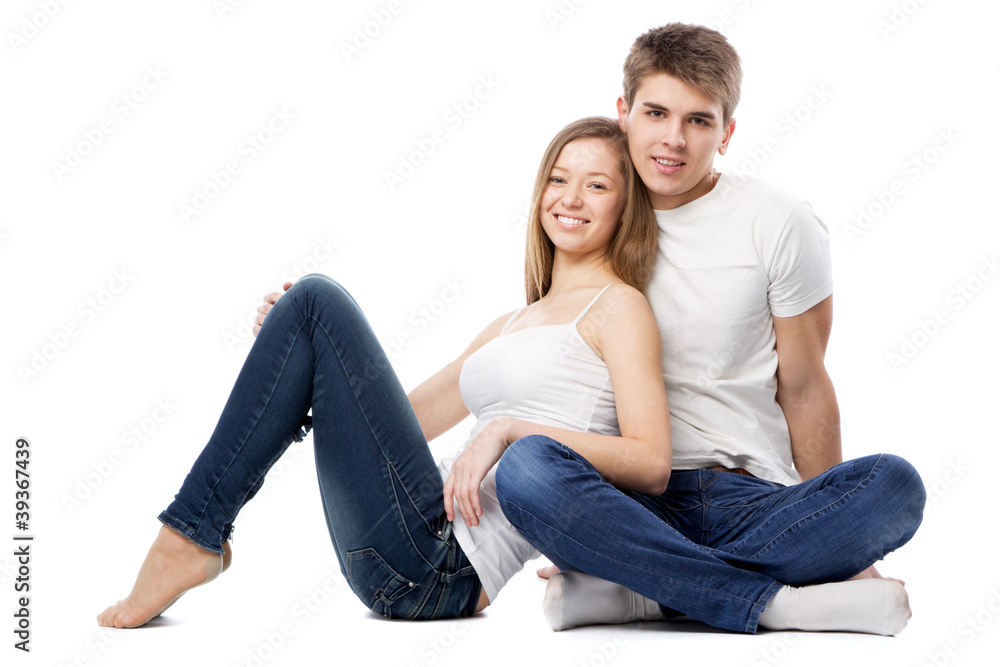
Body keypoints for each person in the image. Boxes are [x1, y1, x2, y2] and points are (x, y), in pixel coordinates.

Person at [96, 116, 671, 628]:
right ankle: (195, 536)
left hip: (442, 565)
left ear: (626, 206)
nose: (571, 197)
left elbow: (651, 463)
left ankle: (190, 534)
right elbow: (398, 428)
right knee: (308, 310)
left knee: (318, 298)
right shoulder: (510, 324)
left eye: (597, 185)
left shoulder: (620, 308)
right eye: (558, 178)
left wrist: (513, 429)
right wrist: (293, 351)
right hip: (403, 542)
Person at [493, 23, 926, 636]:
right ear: (624, 116)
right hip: (631, 501)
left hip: (756, 501)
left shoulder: (778, 222)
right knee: (526, 470)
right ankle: (775, 601)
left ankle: (643, 589)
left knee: (895, 485)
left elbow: (803, 388)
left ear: (726, 133)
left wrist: (843, 549)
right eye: (656, 112)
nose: (674, 139)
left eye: (699, 120)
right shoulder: (594, 213)